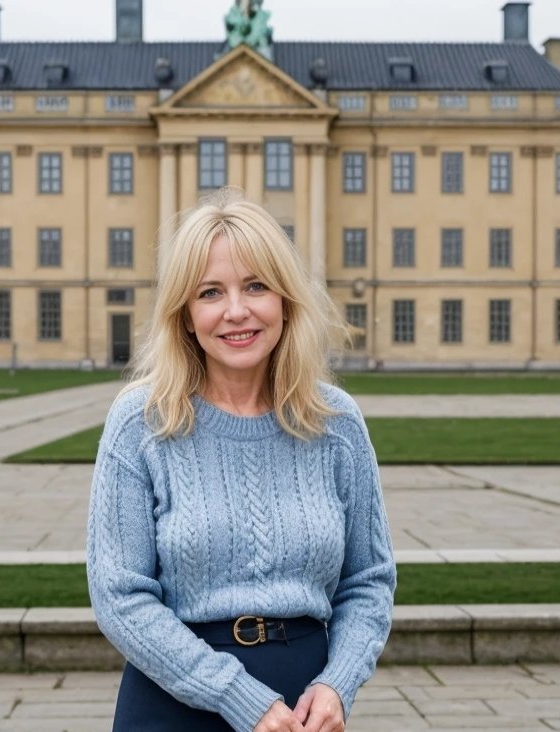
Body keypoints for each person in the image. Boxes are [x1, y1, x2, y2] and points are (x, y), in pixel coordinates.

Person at [86, 189, 396, 732]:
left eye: (256, 286)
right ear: (186, 315)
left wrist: (338, 683)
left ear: (285, 300)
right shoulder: (141, 422)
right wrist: (237, 696)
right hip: (171, 705)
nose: (236, 311)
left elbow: (368, 580)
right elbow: (120, 595)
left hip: (305, 709)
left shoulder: (336, 423)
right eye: (210, 292)